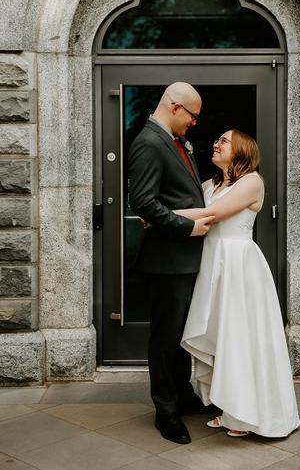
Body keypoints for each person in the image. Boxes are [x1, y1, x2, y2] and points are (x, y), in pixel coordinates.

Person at [178, 129, 300, 438]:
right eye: (216, 139)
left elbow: (212, 214)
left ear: (241, 151)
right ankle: (230, 407)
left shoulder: (252, 182)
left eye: (223, 141)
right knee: (222, 335)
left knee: (242, 336)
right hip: (213, 264)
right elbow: (200, 204)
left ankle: (248, 414)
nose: (215, 144)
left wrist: (161, 215)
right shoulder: (211, 184)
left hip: (239, 265)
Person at [128, 82, 215, 445]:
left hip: (184, 259)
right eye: (193, 115)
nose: (194, 124)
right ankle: (166, 412)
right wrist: (187, 225)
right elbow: (143, 202)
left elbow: (176, 193)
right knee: (165, 339)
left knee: (179, 335)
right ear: (176, 107)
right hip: (167, 260)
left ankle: (182, 397)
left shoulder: (176, 141)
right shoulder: (149, 142)